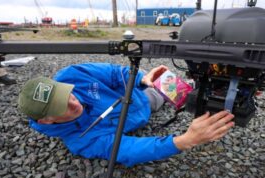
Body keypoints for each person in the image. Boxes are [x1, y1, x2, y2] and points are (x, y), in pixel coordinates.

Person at [18, 63, 235, 167]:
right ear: (46, 120)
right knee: (158, 101)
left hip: (138, 94)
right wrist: (184, 141)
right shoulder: (80, 141)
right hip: (146, 110)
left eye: (66, 93)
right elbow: (127, 149)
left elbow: (115, 74)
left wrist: (142, 78)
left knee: (182, 91)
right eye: (60, 106)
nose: (73, 102)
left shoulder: (71, 74)